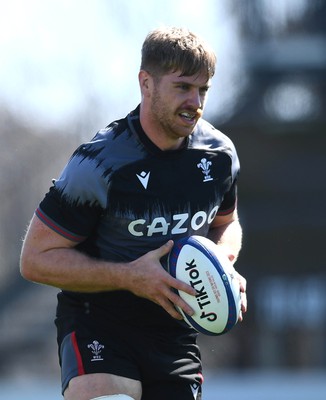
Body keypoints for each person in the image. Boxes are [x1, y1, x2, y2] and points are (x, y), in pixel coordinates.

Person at [20, 26, 247, 400]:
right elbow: (35, 261)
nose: (195, 101)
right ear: (146, 83)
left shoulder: (218, 156)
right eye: (182, 87)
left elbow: (227, 223)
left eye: (203, 89)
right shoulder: (100, 163)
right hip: (99, 319)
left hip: (173, 332)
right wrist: (129, 276)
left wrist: (222, 263)